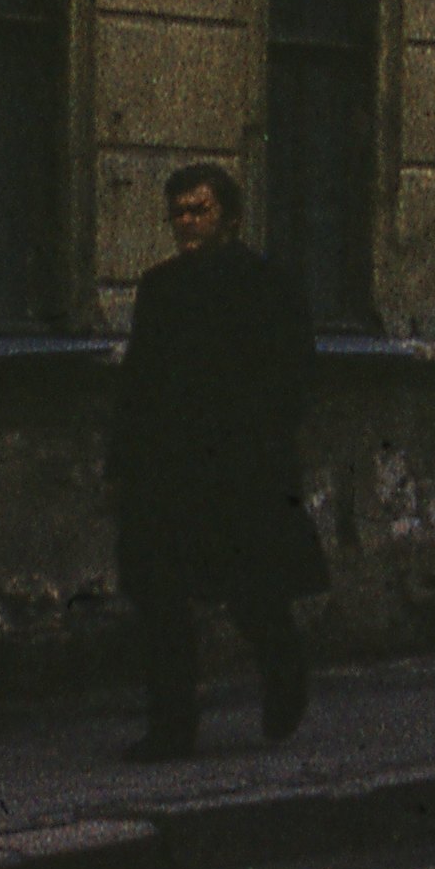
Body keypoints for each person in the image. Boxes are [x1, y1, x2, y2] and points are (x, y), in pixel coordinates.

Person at [112, 162, 325, 761]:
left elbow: (293, 373)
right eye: (177, 212)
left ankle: (285, 675)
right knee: (160, 598)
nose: (186, 223)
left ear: (229, 217)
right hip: (168, 470)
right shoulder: (161, 287)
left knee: (252, 591)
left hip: (241, 468)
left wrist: (260, 443)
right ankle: (172, 727)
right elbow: (140, 380)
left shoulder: (268, 284)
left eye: (198, 210)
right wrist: (124, 463)